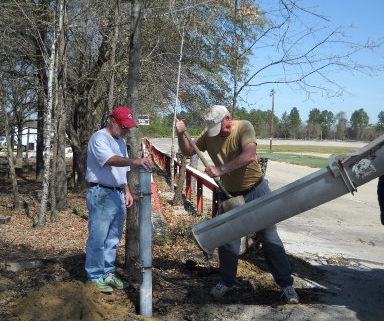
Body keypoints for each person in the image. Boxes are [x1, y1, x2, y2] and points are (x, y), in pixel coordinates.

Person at [176, 105, 299, 304]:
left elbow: (250, 154)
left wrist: (221, 169)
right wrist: (181, 135)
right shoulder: (209, 133)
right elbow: (189, 150)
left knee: (269, 236)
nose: (219, 133)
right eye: (214, 129)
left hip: (256, 191)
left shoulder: (244, 127)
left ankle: (286, 285)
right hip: (229, 195)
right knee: (228, 240)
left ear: (228, 118)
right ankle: (226, 280)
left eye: (221, 127)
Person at [85, 106, 152, 293]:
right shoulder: (99, 138)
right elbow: (110, 161)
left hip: (117, 193)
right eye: (124, 126)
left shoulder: (121, 141)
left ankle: (108, 273)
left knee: (113, 238)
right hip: (101, 194)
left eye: (129, 127)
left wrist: (127, 190)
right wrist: (134, 161)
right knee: (98, 238)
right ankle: (95, 277)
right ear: (113, 121)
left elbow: (120, 172)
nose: (126, 130)